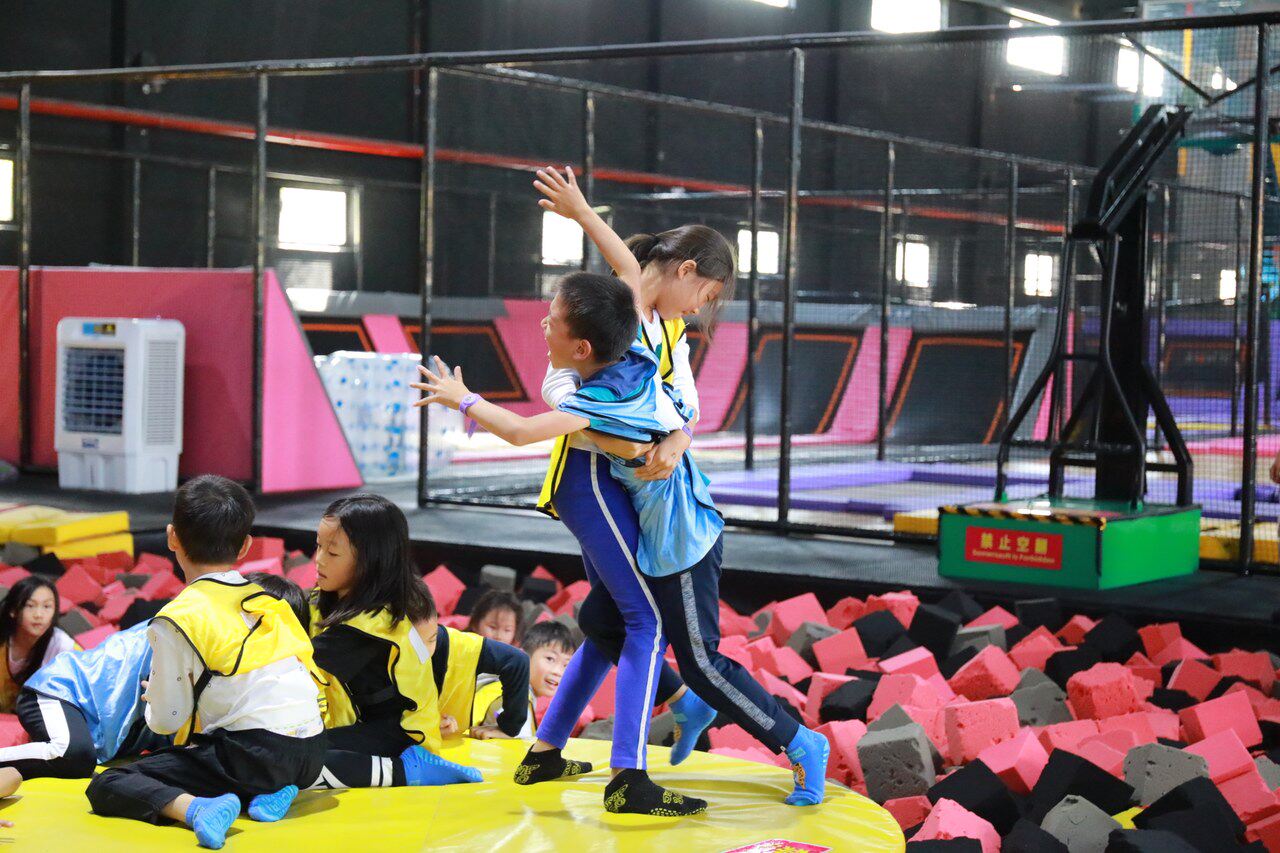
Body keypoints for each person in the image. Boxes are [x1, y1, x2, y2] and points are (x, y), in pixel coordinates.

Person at [413, 196, 830, 813]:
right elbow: (574, 389)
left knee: (621, 625)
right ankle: (641, 755)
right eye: (707, 293)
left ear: (584, 345)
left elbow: (663, 408)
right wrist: (583, 214)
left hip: (672, 517)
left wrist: (469, 400)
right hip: (610, 488)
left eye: (552, 322)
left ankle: (583, 750)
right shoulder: (623, 336)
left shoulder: (635, 343)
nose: (543, 327)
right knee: (645, 626)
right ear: (685, 271)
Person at [84, 475, 327, 850]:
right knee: (213, 750)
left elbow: (167, 721)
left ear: (171, 537)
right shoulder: (269, 601)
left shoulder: (178, 616)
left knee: (109, 782)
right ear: (245, 546)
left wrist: (153, 698)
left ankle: (197, 809)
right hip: (312, 754)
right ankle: (266, 791)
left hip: (256, 755)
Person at [305, 495, 520, 790]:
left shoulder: (371, 624)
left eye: (332, 552)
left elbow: (296, 665)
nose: (319, 559)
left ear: (370, 560)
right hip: (372, 723)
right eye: (318, 546)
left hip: (406, 736)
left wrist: (509, 725)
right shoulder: (334, 599)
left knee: (296, 757)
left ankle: (408, 772)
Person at [471, 620, 576, 738]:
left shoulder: (497, 683)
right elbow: (519, 743)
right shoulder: (517, 701)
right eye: (550, 659)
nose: (558, 672)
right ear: (522, 655)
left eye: (566, 665)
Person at [0, 577, 78, 714]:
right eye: (30, 606)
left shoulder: (62, 646)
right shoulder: (3, 638)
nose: (39, 615)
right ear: (13, 610)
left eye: (47, 606)